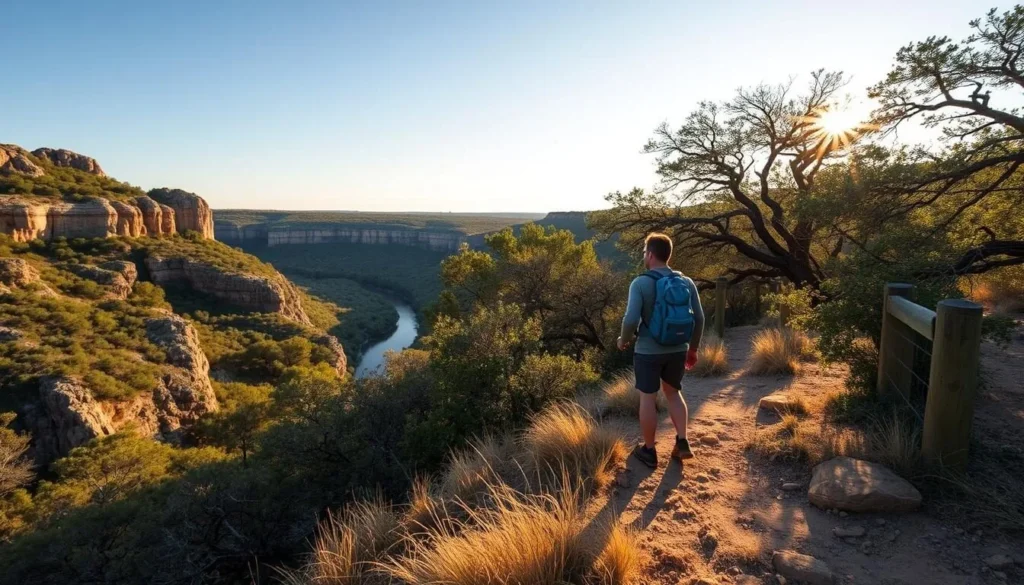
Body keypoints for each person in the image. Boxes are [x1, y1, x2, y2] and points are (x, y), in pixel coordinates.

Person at [616, 232, 704, 468]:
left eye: (645, 252)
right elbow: (700, 318)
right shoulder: (686, 282)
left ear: (651, 254)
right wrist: (692, 349)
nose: (645, 256)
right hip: (678, 349)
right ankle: (682, 442)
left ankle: (649, 451)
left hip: (648, 351)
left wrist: (623, 340)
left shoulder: (641, 283)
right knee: (673, 393)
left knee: (648, 398)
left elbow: (630, 319)